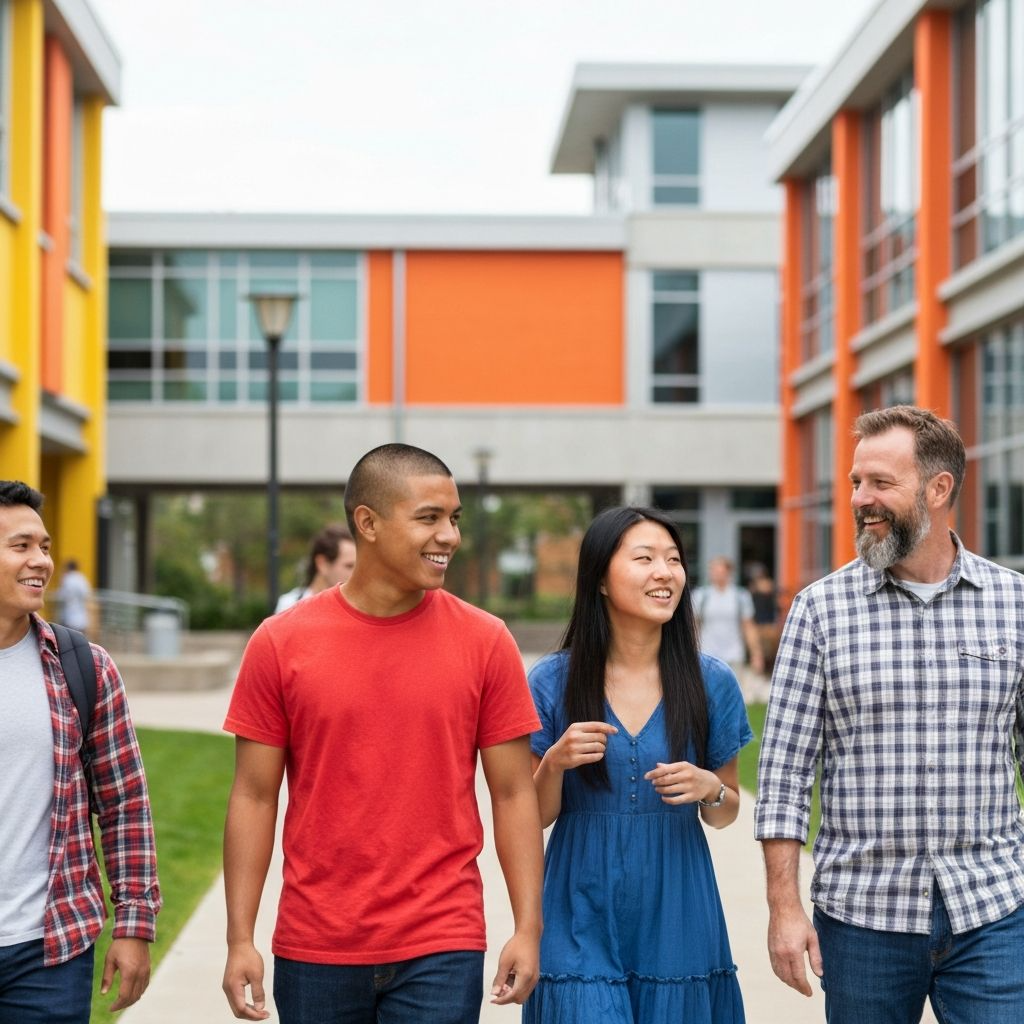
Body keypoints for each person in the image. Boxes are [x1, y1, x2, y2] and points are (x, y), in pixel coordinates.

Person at [222, 443, 544, 1023]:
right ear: (366, 523)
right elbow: (253, 795)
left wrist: (528, 927)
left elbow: (515, 793)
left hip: (442, 940)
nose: (449, 536)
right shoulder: (280, 643)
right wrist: (239, 937)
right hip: (316, 942)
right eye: (429, 518)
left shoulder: (486, 642)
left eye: (454, 519)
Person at [755, 405, 1024, 1023]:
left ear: (938, 488)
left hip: (993, 911)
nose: (861, 499)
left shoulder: (1013, 604)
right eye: (855, 482)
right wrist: (784, 908)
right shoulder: (820, 611)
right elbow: (783, 775)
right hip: (862, 920)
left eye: (880, 483)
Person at [524, 506, 752, 1024]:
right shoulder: (552, 681)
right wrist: (555, 763)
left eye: (673, 560)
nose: (665, 573)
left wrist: (710, 787)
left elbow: (726, 812)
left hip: (677, 909)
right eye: (644, 558)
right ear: (600, 579)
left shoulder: (711, 682)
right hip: (579, 904)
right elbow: (533, 815)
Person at [0, 481, 160, 1022]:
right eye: (21, 546)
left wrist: (134, 924)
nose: (40, 561)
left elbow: (124, 804)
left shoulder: (82, 667)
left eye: (43, 546)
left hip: (47, 954)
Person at [692, 556, 765, 680]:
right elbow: (694, 626)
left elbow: (748, 627)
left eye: (720, 571)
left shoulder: (740, 596)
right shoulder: (701, 596)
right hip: (707, 654)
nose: (717, 575)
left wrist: (756, 654)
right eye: (713, 571)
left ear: (728, 573)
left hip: (734, 655)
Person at [274, 524, 356, 613]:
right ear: (322, 564)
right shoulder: (289, 606)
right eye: (349, 566)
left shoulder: (357, 608)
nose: (356, 574)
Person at [746, 563, 780, 676]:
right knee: (760, 650)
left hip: (767, 624)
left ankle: (767, 671)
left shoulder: (767, 585)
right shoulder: (753, 588)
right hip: (758, 623)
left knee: (769, 651)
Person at [55, 559, 92, 633]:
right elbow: (87, 594)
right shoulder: (81, 578)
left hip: (68, 618)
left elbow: (61, 596)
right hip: (81, 619)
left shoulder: (67, 579)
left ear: (68, 568)